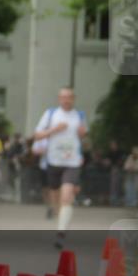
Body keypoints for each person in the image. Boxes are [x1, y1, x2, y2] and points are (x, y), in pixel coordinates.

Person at [32, 87, 87, 249]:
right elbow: (37, 135)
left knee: (67, 196)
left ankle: (61, 233)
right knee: (55, 196)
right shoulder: (50, 114)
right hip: (54, 161)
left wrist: (82, 134)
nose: (66, 100)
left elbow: (83, 137)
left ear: (73, 98)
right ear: (58, 99)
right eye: (63, 97)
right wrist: (54, 130)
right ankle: (59, 217)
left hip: (72, 162)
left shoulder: (80, 115)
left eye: (69, 97)